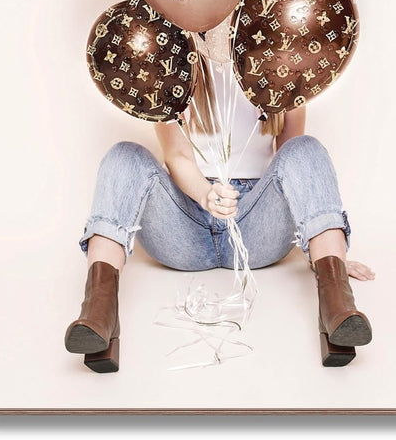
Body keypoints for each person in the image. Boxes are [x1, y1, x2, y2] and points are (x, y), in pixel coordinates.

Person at [64, 56, 374, 373]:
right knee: (123, 155)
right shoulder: (170, 61)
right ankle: (98, 311)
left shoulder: (284, 60)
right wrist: (205, 193)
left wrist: (325, 252)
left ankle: (337, 304)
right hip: (185, 225)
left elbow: (293, 160)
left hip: (255, 226)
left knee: (306, 147)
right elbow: (177, 155)